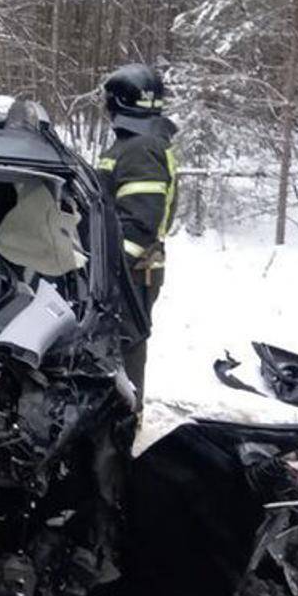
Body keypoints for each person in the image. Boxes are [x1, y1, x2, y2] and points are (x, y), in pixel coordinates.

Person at [96, 63, 179, 396]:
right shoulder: (140, 143)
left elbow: (139, 223)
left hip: (132, 272)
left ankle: (123, 425)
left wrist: (108, 268)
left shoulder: (140, 148)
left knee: (125, 348)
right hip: (131, 268)